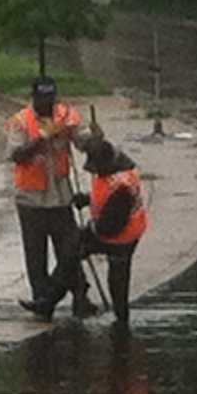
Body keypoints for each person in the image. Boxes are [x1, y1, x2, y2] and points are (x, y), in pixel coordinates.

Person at [7, 76, 101, 321]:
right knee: (35, 254)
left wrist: (92, 138)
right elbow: (16, 155)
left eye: (52, 99)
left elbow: (83, 143)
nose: (48, 105)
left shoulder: (65, 116)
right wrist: (42, 139)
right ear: (34, 98)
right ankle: (42, 300)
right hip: (31, 199)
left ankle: (81, 296)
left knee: (69, 250)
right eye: (43, 100)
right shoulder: (21, 121)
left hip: (60, 197)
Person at [73, 135, 148, 329]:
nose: (90, 169)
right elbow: (105, 199)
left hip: (121, 237)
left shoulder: (121, 188)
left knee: (116, 279)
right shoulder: (118, 172)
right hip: (125, 230)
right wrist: (88, 199)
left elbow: (107, 227)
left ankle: (120, 320)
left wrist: (88, 230)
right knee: (118, 280)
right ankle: (117, 315)